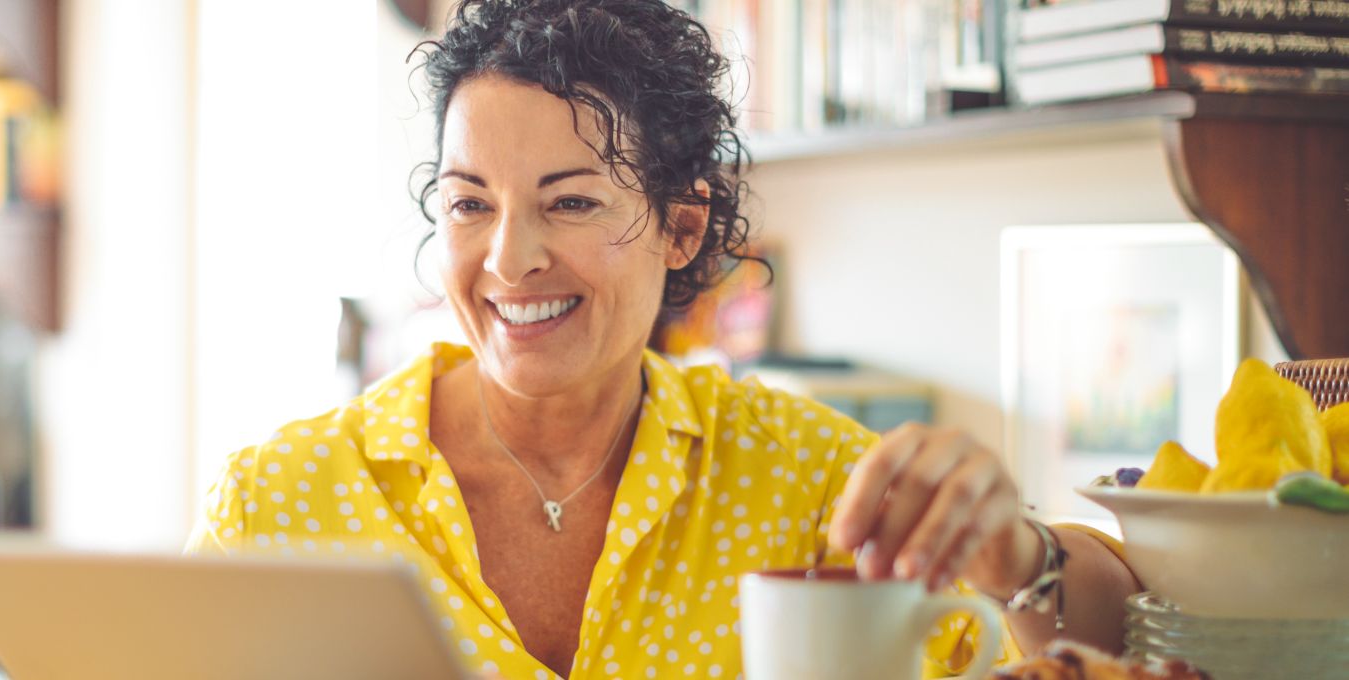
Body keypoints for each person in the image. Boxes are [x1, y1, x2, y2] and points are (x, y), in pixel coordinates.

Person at [186, 1, 1141, 677]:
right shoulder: (279, 505)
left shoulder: (806, 478)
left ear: (683, 228)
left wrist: (1017, 556)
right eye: (469, 204)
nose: (509, 260)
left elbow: (1121, 634)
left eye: (571, 202)